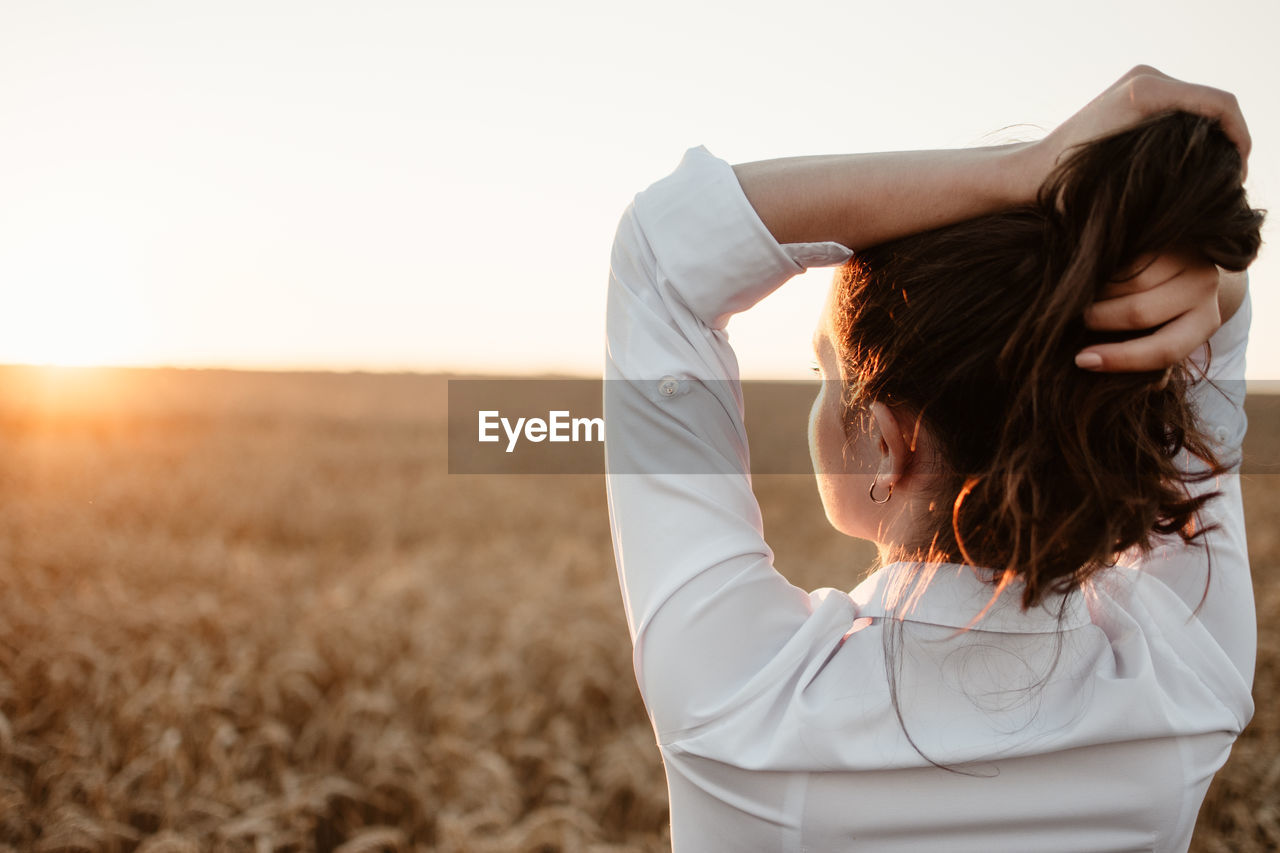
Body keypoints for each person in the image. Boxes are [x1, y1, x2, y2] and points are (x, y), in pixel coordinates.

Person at [602, 65, 1264, 852]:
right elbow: (1207, 346)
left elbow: (660, 254)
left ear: (884, 442)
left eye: (826, 374)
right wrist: (1209, 283)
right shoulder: (1184, 676)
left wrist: (1025, 172)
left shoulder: (741, 702)